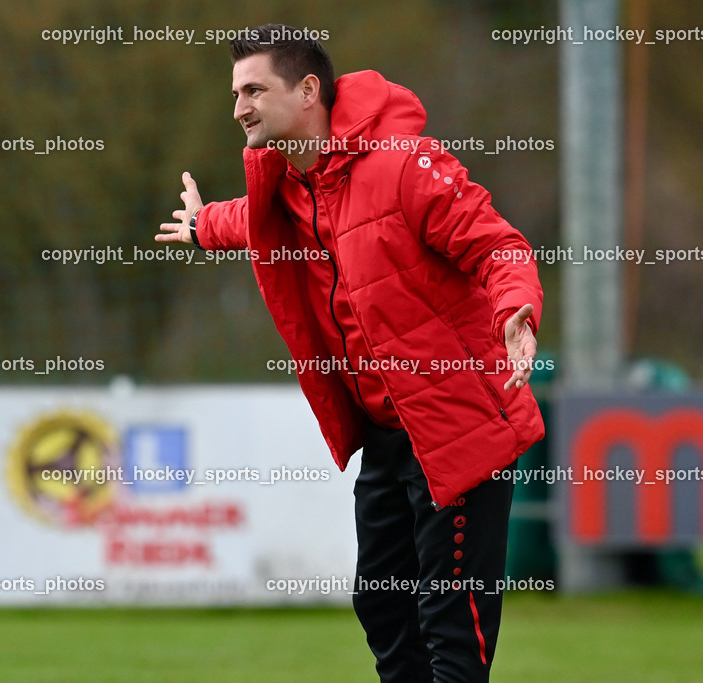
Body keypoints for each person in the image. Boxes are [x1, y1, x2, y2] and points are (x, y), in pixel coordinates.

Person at [156, 23, 544, 683]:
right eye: (236, 93)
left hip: (459, 425)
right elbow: (252, 221)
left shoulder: (404, 164)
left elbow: (498, 245)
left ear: (308, 91)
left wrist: (518, 311)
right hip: (388, 438)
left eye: (254, 90)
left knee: (450, 626)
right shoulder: (288, 185)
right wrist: (201, 226)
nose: (239, 107)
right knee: (383, 608)